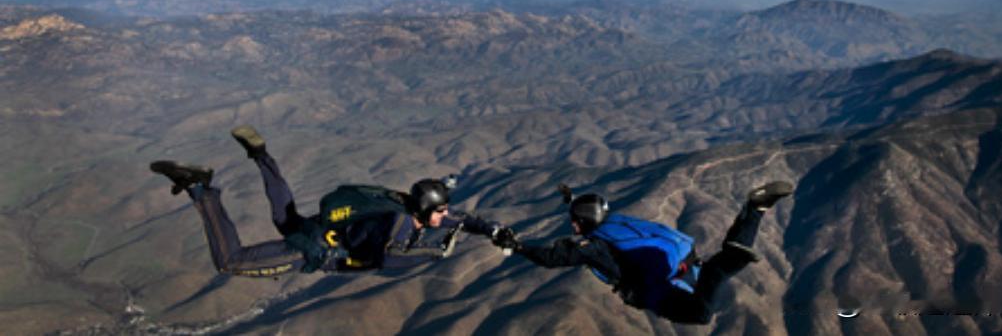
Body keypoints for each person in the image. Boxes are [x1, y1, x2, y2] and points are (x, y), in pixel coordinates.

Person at [149, 126, 508, 277]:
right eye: (440, 210)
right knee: (230, 262)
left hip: (320, 230)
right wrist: (436, 251)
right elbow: (392, 258)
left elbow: (461, 219)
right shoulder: (400, 224)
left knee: (285, 216)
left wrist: (493, 230)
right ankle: (201, 190)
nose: (444, 216)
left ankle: (261, 156)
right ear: (426, 210)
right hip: (311, 249)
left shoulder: (408, 208)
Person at [492, 181, 793, 325]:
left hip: (659, 288)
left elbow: (553, 258)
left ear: (585, 221)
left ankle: (723, 264)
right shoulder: (618, 223)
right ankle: (755, 210)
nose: (572, 226)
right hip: (686, 264)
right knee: (721, 267)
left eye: (575, 221)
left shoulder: (596, 245)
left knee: (702, 312)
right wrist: (570, 199)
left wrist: (518, 246)